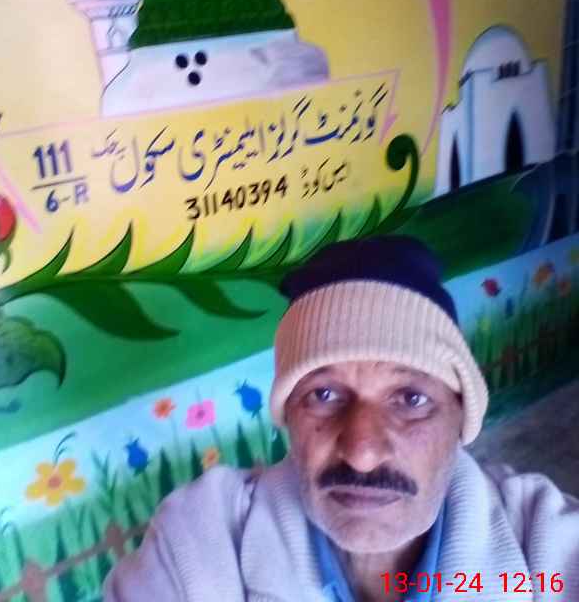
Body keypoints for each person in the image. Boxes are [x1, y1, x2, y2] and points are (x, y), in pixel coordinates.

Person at [104, 236, 579, 601]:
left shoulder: (541, 550)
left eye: (411, 398)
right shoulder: (201, 546)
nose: (362, 453)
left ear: (461, 418)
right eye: (324, 394)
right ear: (288, 416)